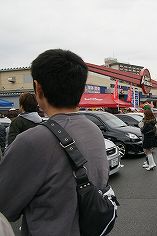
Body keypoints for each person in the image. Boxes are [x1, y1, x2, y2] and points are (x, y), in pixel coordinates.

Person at [0, 49, 109, 235]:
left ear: (38, 88)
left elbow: (5, 206)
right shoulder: (94, 130)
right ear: (82, 89)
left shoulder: (30, 142)